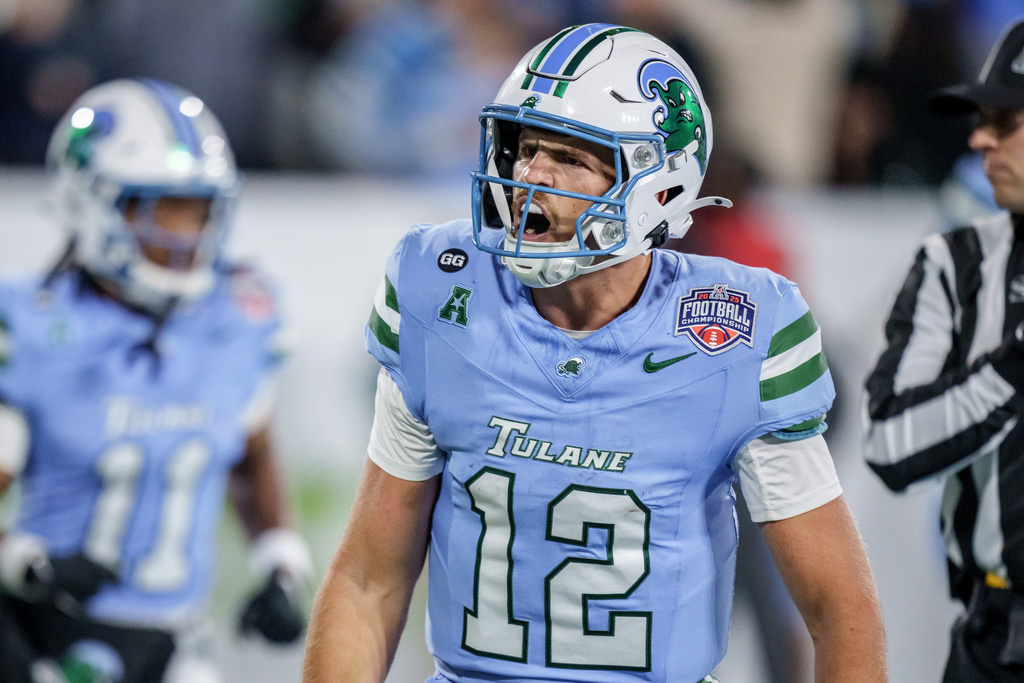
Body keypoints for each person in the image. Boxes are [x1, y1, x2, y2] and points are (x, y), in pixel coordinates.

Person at [304, 23, 887, 683]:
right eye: (525, 147)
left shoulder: (732, 332)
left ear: (658, 188)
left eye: (571, 158)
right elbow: (367, 581)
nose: (529, 177)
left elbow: (839, 608)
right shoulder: (441, 293)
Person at [0, 78, 313, 683]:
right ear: (89, 201)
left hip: (180, 645)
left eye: (198, 210)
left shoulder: (237, 317)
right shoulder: (35, 329)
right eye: (161, 208)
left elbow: (248, 452)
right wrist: (26, 563)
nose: (185, 234)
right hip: (51, 637)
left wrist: (278, 560)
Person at [864, 16, 1024, 683]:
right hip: (999, 640)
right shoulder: (954, 263)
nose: (979, 137)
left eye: (1006, 119)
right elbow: (890, 445)